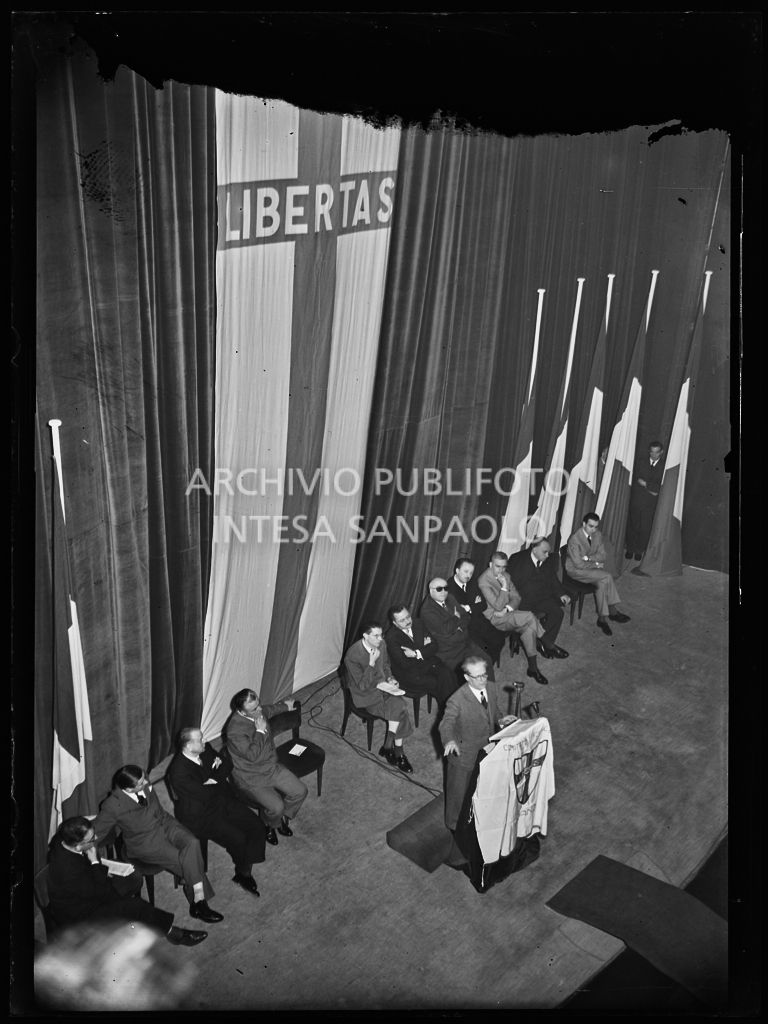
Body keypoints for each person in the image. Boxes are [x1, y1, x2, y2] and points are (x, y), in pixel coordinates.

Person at [48, 816, 207, 946]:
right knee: (134, 906)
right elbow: (99, 892)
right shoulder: (67, 871)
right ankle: (174, 934)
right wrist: (95, 862)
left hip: (89, 887)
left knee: (133, 877)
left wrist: (88, 823)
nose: (96, 839)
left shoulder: (62, 840)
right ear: (77, 846)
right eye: (91, 839)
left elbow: (74, 827)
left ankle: (136, 922)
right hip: (82, 913)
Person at [93, 765, 223, 925]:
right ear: (128, 789)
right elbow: (96, 832)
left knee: (193, 843)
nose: (146, 782)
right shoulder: (113, 805)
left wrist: (168, 822)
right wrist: (85, 854)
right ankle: (199, 902)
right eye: (141, 783)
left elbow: (158, 808)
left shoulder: (144, 782)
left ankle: (198, 899)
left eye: (144, 778)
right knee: (184, 861)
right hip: (146, 841)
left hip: (165, 823)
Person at [166, 727, 267, 897]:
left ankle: (244, 869)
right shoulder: (178, 773)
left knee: (257, 825)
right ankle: (244, 875)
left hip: (222, 799)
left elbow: (227, 764)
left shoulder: (204, 749)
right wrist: (215, 772)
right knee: (239, 838)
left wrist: (212, 778)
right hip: (202, 815)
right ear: (189, 746)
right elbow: (204, 794)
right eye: (200, 739)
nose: (204, 741)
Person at [439, 655, 517, 831]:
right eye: (477, 676)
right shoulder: (457, 700)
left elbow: (494, 711)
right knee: (458, 794)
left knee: (481, 785)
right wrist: (449, 740)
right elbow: (446, 723)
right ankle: (453, 827)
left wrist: (502, 720)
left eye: (484, 674)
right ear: (467, 677)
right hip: (463, 755)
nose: (483, 679)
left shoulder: (491, 687)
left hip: (487, 749)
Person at [223, 690, 308, 846]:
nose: (259, 710)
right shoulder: (234, 732)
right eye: (254, 709)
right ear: (241, 711)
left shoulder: (257, 711)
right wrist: (260, 731)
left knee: (300, 791)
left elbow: (267, 710)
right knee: (276, 806)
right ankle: (269, 825)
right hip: (252, 777)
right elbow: (252, 755)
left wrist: (284, 707)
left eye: (258, 705)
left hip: (270, 766)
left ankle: (282, 818)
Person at [344, 623, 415, 773]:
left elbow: (386, 665)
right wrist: (370, 663)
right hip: (367, 695)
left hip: (384, 687)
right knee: (401, 710)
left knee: (399, 705)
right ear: (365, 636)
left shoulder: (381, 644)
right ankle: (398, 752)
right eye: (375, 636)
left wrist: (390, 678)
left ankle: (389, 746)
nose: (380, 639)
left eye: (381, 635)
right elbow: (362, 685)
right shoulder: (352, 656)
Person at [477, 552, 549, 684]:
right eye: (498, 566)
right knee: (529, 616)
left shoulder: (506, 576)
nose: (501, 570)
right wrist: (504, 588)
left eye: (504, 567)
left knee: (529, 630)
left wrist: (508, 608)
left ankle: (533, 669)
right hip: (496, 618)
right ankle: (548, 643)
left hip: (507, 612)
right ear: (490, 564)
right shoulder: (483, 581)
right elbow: (497, 607)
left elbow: (517, 597)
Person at [565, 512, 631, 636]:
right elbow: (578, 564)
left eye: (596, 526)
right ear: (584, 524)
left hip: (589, 569)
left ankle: (602, 619)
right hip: (576, 571)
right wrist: (595, 564)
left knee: (602, 584)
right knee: (607, 576)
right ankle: (613, 612)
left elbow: (603, 556)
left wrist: (588, 558)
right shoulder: (574, 539)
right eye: (591, 526)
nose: (593, 530)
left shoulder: (598, 535)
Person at [419, 577, 496, 681]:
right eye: (439, 589)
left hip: (465, 642)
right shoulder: (427, 610)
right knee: (470, 673)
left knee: (487, 661)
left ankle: (488, 693)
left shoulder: (450, 598)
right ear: (430, 590)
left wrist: (457, 626)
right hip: (449, 651)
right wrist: (456, 618)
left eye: (446, 588)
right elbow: (445, 630)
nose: (443, 592)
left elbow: (466, 617)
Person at [507, 538, 571, 659]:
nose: (548, 555)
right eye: (544, 552)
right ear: (534, 549)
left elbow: (553, 579)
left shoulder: (547, 559)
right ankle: (549, 645)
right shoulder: (517, 559)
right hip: (522, 601)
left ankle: (543, 643)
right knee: (531, 621)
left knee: (558, 613)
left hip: (541, 597)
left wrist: (561, 593)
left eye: (548, 552)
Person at [385, 605, 457, 707]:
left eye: (408, 617)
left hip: (426, 664)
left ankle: (452, 709)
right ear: (395, 623)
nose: (407, 621)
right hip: (410, 674)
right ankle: (450, 710)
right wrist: (424, 648)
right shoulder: (391, 637)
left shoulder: (418, 623)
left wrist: (415, 653)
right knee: (441, 681)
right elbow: (404, 664)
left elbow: (435, 646)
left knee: (448, 673)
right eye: (402, 620)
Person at [446, 557, 506, 668]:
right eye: (466, 571)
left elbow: (482, 605)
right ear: (457, 570)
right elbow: (457, 614)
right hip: (464, 627)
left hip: (478, 619)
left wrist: (468, 607)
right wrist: (474, 605)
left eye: (471, 572)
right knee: (482, 648)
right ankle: (482, 670)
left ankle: (488, 667)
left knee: (499, 638)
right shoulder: (448, 589)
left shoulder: (472, 582)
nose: (468, 575)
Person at [625, 440, 665, 560]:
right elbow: (636, 481)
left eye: (656, 452)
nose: (653, 455)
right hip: (637, 501)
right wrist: (650, 488)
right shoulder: (640, 463)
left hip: (650, 504)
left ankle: (639, 550)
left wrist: (646, 484)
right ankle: (630, 549)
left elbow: (659, 488)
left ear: (661, 452)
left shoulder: (664, 467)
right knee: (633, 526)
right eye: (651, 452)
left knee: (645, 528)